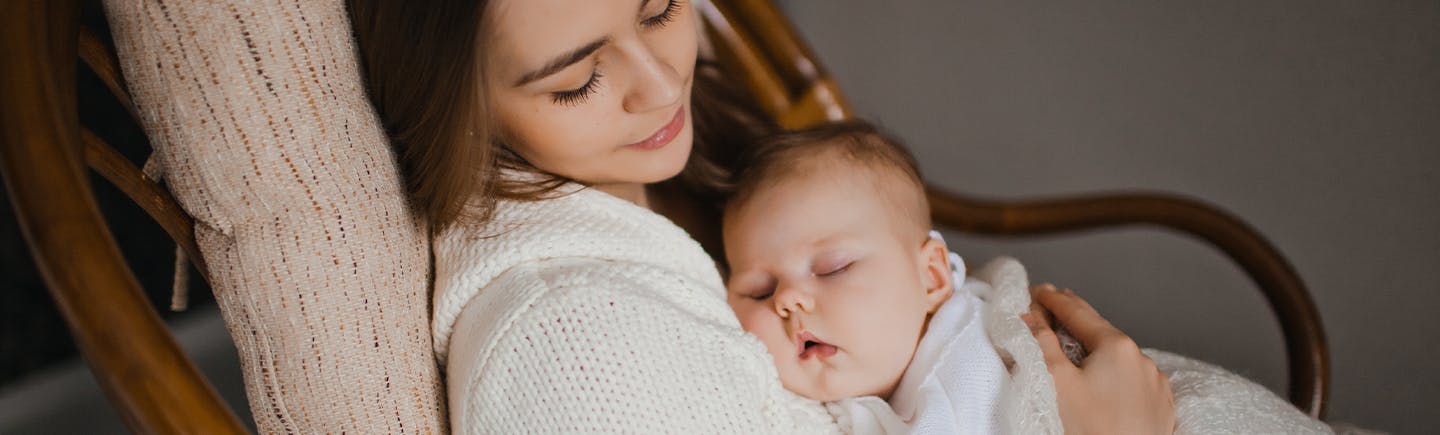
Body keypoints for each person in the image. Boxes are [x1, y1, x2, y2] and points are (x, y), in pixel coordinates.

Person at [348, 0, 1173, 433]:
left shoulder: (691, 179)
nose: (663, 83)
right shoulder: (570, 344)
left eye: (662, 6)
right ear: (459, 108)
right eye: (575, 80)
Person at [723, 121, 1339, 435]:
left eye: (832, 267)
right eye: (757, 289)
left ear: (933, 275)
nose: (790, 301)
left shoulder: (960, 361)